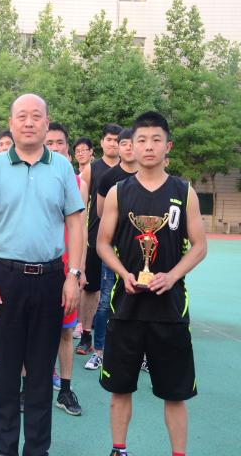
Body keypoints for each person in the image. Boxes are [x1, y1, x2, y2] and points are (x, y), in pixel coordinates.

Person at [0, 94, 84, 456]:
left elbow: (75, 224)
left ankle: (38, 450)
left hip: (51, 280)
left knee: (39, 377)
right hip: (5, 280)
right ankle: (4, 450)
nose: (29, 122)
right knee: (6, 377)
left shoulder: (62, 167)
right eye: (21, 116)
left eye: (36, 116)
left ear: (47, 123)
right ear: (11, 123)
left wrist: (74, 275)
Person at [97, 111, 207, 456]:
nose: (148, 146)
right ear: (131, 145)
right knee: (120, 388)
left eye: (156, 139)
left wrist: (172, 276)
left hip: (170, 309)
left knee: (175, 393)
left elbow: (200, 246)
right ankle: (119, 449)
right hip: (126, 306)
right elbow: (102, 243)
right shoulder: (118, 192)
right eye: (141, 139)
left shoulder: (184, 192)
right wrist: (123, 273)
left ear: (167, 146)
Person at [43, 122, 88, 417]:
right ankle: (29, 387)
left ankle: (65, 391)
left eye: (60, 142)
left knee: (65, 331)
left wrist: (78, 271)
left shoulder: (77, 182)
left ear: (68, 150)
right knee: (33, 332)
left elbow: (80, 229)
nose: (55, 147)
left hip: (66, 269)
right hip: (38, 267)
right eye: (49, 143)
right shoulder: (31, 175)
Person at [85, 127, 138, 371]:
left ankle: (142, 355)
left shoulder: (147, 175)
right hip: (114, 249)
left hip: (141, 251)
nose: (126, 147)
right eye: (122, 143)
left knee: (141, 302)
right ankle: (98, 352)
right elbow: (99, 212)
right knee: (105, 301)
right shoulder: (108, 176)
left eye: (130, 143)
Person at [76, 124, 122, 355]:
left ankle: (118, 338)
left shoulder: (131, 169)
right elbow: (80, 208)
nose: (113, 143)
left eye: (117, 140)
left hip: (123, 243)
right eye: (109, 139)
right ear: (102, 143)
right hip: (95, 240)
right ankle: (86, 335)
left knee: (121, 291)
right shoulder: (91, 170)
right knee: (90, 289)